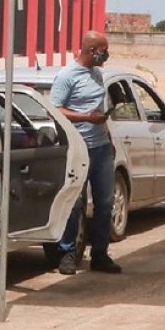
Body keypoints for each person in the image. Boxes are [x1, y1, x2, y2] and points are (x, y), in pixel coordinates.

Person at [50, 30, 120, 276]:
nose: (106, 55)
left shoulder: (97, 74)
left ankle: (100, 254)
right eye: (103, 50)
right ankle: (68, 253)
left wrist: (107, 135)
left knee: (105, 202)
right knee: (75, 202)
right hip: (78, 148)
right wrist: (85, 118)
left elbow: (98, 108)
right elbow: (55, 109)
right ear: (92, 50)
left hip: (101, 148)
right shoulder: (67, 76)